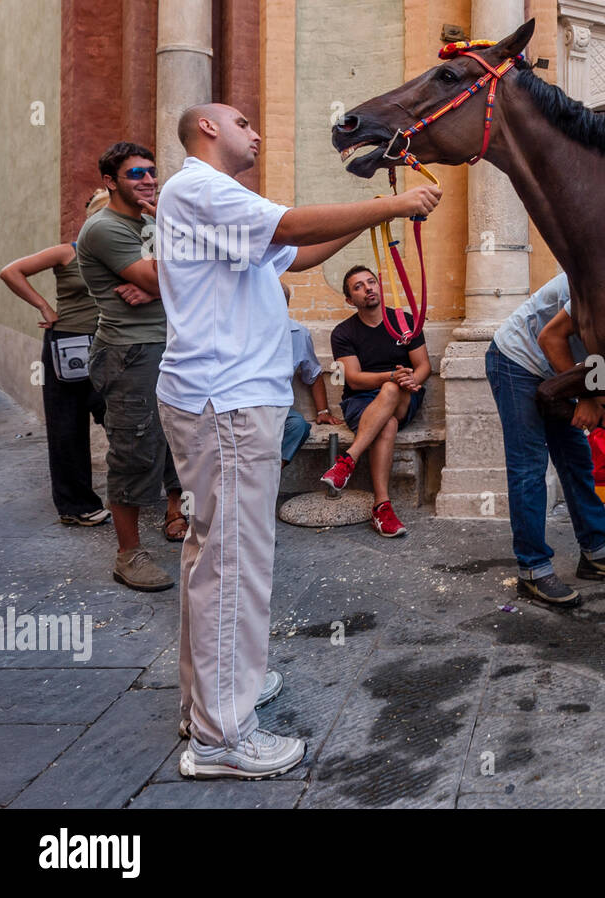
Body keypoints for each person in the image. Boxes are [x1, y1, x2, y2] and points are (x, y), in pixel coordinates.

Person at [156, 102, 440, 779]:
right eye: (242, 122)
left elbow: (295, 247)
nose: (255, 131)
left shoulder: (213, 202)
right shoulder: (199, 185)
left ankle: (212, 700)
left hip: (220, 399)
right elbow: (286, 224)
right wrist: (392, 207)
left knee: (211, 558)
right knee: (234, 565)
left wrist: (370, 209)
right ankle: (223, 738)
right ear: (207, 130)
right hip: (227, 402)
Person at [485, 272, 605, 607]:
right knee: (529, 467)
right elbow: (550, 338)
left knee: (576, 459)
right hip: (518, 360)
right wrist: (587, 398)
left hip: (557, 372)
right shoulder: (603, 278)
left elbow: (604, 360)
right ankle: (533, 570)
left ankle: (596, 554)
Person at [76, 142, 185, 591]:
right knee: (134, 451)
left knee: (175, 441)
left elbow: (169, 273)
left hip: (168, 344)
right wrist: (160, 282)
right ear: (110, 181)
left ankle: (177, 513)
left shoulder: (149, 220)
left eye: (152, 172)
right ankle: (128, 555)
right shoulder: (103, 228)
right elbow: (166, 275)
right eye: (136, 173)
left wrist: (160, 282)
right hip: (130, 353)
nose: (148, 180)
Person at [0, 190, 110, 525]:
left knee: (126, 422)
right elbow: (11, 272)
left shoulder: (128, 251)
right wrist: (45, 306)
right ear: (91, 220)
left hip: (112, 344)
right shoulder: (67, 252)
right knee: (67, 426)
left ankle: (143, 495)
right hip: (68, 344)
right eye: (101, 215)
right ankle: (76, 506)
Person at [320, 265, 429, 536]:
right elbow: (354, 379)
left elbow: (423, 365)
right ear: (350, 300)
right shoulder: (343, 333)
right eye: (358, 286)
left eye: (371, 282)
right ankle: (382, 507)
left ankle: (347, 460)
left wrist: (413, 380)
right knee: (388, 423)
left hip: (404, 395)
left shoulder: (404, 321)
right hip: (360, 401)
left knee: (392, 391)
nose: (368, 288)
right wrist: (391, 376)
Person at [281, 283, 336, 466]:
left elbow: (314, 374)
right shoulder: (240, 331)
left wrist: (323, 411)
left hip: (276, 410)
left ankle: (268, 476)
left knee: (298, 426)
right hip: (240, 408)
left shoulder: (298, 333)